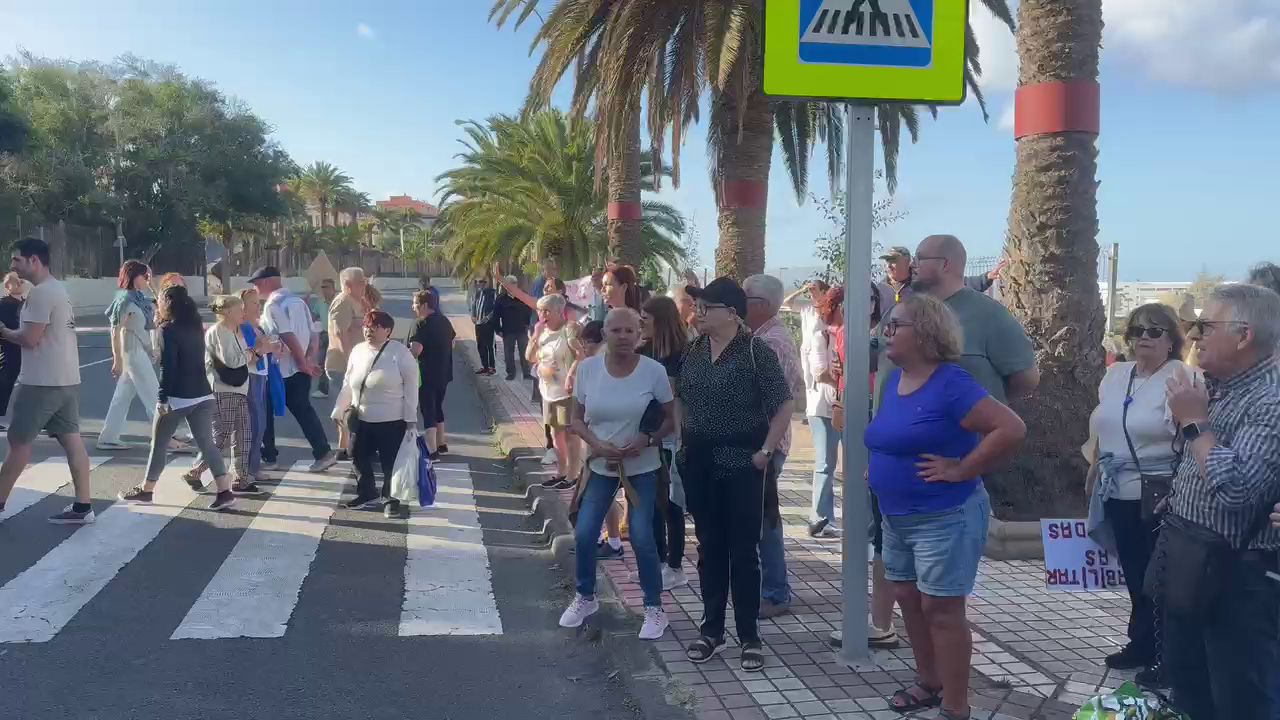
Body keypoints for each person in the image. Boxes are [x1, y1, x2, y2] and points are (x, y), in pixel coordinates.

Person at [868, 294, 1026, 717]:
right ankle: (929, 682)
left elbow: (1010, 428)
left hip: (944, 517)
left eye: (894, 326)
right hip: (896, 516)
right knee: (907, 597)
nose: (886, 334)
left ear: (924, 333)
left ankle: (956, 706)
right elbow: (895, 438)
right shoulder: (894, 381)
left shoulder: (951, 383)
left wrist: (961, 469)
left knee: (941, 608)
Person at [1159, 283, 1280, 720]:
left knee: (1239, 701)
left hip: (1239, 583)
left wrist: (1193, 422)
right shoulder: (1222, 387)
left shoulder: (1271, 398)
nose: (1192, 335)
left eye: (1206, 325)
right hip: (1197, 566)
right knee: (1192, 693)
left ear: (1244, 335)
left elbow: (1239, 491)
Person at [677, 277, 794, 672]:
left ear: (730, 313)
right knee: (709, 548)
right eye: (696, 308)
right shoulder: (692, 351)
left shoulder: (756, 352)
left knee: (744, 551)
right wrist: (682, 440)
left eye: (704, 308)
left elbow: (783, 404)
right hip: (700, 462)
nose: (697, 314)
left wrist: (765, 451)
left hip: (744, 462)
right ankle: (712, 630)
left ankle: (749, 635)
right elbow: (680, 397)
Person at [1084, 303, 1190, 688]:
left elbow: (1189, 434)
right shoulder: (1115, 375)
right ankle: (1141, 643)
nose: (1145, 336)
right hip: (1116, 491)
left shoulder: (1181, 376)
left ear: (1171, 340)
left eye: (1156, 330)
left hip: (1158, 495)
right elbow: (1101, 426)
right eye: (1138, 329)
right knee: (1133, 571)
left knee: (1157, 577)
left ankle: (1167, 656)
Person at [560, 308, 675, 641]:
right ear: (605, 334)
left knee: (641, 536)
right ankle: (585, 597)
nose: (623, 336)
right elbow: (576, 419)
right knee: (584, 533)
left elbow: (670, 417)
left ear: (638, 334)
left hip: (643, 467)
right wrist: (596, 443)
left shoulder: (653, 371)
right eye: (616, 330)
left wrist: (647, 440)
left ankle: (655, 609)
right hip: (600, 465)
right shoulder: (587, 369)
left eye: (630, 330)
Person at [0, 239, 96, 523]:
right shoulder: (58, 289)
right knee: (72, 440)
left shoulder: (40, 294)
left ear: (34, 261)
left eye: (17, 260)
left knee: (18, 443)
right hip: (67, 380)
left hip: (40, 382)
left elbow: (29, 339)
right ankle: (83, 506)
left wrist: (3, 331)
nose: (13, 266)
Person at [117, 285, 237, 511]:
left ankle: (147, 490)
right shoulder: (195, 326)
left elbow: (168, 366)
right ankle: (224, 491)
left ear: (166, 304)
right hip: (203, 394)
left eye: (159, 301)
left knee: (159, 444)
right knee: (207, 444)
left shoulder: (167, 329)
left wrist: (162, 399)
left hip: (178, 397)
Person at [903, 235, 1039, 403]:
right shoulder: (899, 313)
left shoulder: (990, 315)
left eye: (919, 258)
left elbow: (1026, 379)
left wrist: (986, 404)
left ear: (945, 264)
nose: (911, 265)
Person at [742, 274, 805, 620]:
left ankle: (776, 593)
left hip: (764, 444)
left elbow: (770, 399)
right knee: (762, 519)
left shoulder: (771, 344)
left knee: (765, 521)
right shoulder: (760, 338)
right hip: (762, 443)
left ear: (761, 305)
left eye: (744, 299)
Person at [98, 260, 192, 453]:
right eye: (145, 276)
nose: (148, 280)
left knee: (122, 397)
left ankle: (108, 437)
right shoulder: (124, 300)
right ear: (133, 276)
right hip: (132, 354)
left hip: (139, 352)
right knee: (154, 395)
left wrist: (151, 348)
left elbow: (144, 328)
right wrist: (117, 359)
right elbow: (115, 331)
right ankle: (165, 438)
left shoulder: (139, 298)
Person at [250, 266, 338, 473]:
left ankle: (269, 457)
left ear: (265, 282)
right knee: (303, 410)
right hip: (298, 369)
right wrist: (309, 359)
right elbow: (313, 333)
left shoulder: (273, 305)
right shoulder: (298, 301)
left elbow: (287, 335)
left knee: (264, 411)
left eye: (256, 284)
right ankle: (323, 452)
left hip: (280, 371)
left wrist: (301, 361)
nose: (255, 288)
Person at [180, 295, 262, 495]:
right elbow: (233, 361)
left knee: (243, 435)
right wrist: (257, 351)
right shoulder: (220, 332)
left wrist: (255, 351)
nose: (243, 312)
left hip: (238, 388)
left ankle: (241, 479)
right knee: (222, 438)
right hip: (224, 389)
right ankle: (195, 471)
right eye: (239, 309)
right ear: (227, 312)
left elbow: (241, 359)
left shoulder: (234, 331)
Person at [343, 310, 420, 516]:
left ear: (388, 331)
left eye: (376, 327)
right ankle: (367, 491)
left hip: (392, 420)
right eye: (367, 326)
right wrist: (339, 409)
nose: (370, 330)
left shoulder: (400, 353)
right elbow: (348, 382)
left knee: (390, 462)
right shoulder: (358, 351)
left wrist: (411, 420)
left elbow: (412, 388)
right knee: (356, 454)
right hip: (362, 417)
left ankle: (390, 498)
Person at [639, 296, 691, 589]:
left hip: (671, 436)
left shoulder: (677, 354)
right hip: (650, 435)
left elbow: (666, 395)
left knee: (671, 503)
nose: (640, 324)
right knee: (652, 503)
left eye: (645, 319)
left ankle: (674, 566)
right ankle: (657, 562)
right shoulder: (646, 350)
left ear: (660, 320)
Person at [528, 294, 579, 488]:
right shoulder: (542, 332)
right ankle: (562, 471)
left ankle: (573, 475)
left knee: (570, 434)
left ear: (559, 312)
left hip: (567, 392)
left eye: (547, 310)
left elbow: (580, 355)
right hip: (548, 391)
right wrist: (535, 335)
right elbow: (530, 357)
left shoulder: (570, 330)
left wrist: (571, 375)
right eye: (540, 310)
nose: (543, 314)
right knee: (556, 434)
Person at [876, 245, 1001, 317]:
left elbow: (957, 285)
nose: (888, 266)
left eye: (893, 262)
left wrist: (987, 277)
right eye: (887, 261)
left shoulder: (924, 284)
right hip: (887, 347)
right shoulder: (879, 289)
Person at [328, 267, 373, 458]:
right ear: (347, 285)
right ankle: (343, 446)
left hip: (358, 364)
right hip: (343, 365)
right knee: (345, 407)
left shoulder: (357, 302)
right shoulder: (343, 302)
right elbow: (340, 334)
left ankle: (351, 445)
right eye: (361, 282)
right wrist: (350, 363)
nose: (365, 285)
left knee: (356, 406)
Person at [408, 289, 455, 457]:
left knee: (428, 408)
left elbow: (416, 350)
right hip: (444, 372)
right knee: (438, 407)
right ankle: (442, 443)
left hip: (425, 373)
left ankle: (431, 449)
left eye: (415, 304)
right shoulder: (445, 322)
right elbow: (453, 343)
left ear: (424, 305)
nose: (413, 307)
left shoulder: (420, 324)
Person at [238, 286, 278, 486]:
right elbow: (247, 358)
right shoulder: (242, 329)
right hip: (251, 377)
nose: (258, 306)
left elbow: (264, 349)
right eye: (253, 303)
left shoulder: (258, 327)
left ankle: (252, 467)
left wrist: (274, 348)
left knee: (260, 425)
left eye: (257, 302)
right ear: (241, 308)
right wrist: (265, 349)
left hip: (261, 376)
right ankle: (247, 469)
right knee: (253, 425)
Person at [494, 275, 534, 380]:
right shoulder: (501, 298)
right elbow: (496, 315)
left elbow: (529, 311)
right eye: (509, 284)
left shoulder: (523, 296)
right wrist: (498, 329)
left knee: (525, 352)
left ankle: (526, 373)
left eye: (514, 283)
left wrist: (527, 324)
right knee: (508, 353)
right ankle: (511, 373)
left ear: (516, 285)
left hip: (522, 330)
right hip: (508, 331)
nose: (512, 286)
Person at [0, 271, 25, 430]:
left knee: (32, 382)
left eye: (21, 281)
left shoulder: (25, 302)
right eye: (17, 281)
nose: (21, 283)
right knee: (5, 380)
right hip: (9, 346)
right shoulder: (3, 304)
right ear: (7, 286)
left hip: (25, 346)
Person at [309, 278, 337, 398]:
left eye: (327, 287)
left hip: (339, 335)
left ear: (333, 289)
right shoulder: (320, 303)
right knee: (322, 362)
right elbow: (312, 317)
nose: (324, 290)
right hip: (325, 335)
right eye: (322, 287)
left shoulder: (339, 302)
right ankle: (323, 389)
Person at [470, 276, 498, 376]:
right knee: (480, 345)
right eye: (478, 282)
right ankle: (485, 366)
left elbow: (495, 309)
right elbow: (473, 305)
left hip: (488, 324)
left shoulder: (492, 293)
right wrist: (473, 315)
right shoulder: (477, 293)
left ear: (486, 283)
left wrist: (487, 318)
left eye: (482, 282)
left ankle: (492, 367)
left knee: (490, 345)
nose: (479, 284)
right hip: (478, 324)